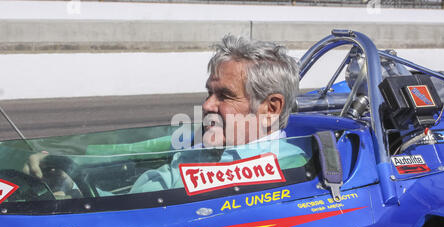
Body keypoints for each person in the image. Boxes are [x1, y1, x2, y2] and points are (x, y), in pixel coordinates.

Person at [23, 34, 308, 196]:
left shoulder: (292, 169)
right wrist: (71, 185)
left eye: (225, 96)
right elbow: (138, 208)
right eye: (209, 92)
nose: (207, 105)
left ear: (270, 109)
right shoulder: (197, 152)